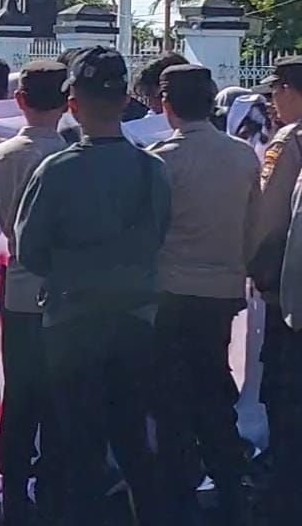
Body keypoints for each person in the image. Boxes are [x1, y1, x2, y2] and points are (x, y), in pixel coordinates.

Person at [15, 46, 170, 526]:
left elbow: (29, 251)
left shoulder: (56, 170)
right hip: (135, 321)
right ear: (125, 101)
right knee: (134, 445)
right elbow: (159, 234)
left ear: (73, 105)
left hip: (72, 322)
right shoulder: (152, 169)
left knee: (75, 444)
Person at [147, 64, 260, 525]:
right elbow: (253, 226)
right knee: (214, 390)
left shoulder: (160, 159)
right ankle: (231, 487)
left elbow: (148, 233)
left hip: (170, 295)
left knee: (171, 401)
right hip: (222, 293)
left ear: (166, 105)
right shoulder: (243, 156)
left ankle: (180, 499)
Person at [0, 61, 68, 526]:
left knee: (20, 397)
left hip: (18, 290)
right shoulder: (74, 155)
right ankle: (52, 491)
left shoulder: (0, 156)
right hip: (65, 294)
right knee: (59, 399)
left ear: (20, 101)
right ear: (67, 102)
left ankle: (14, 491)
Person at [249, 55, 302, 522]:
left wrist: (258, 274)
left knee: (287, 403)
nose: (272, 101)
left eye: (276, 92)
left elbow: (268, 223)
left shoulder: (290, 141)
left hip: (293, 299)